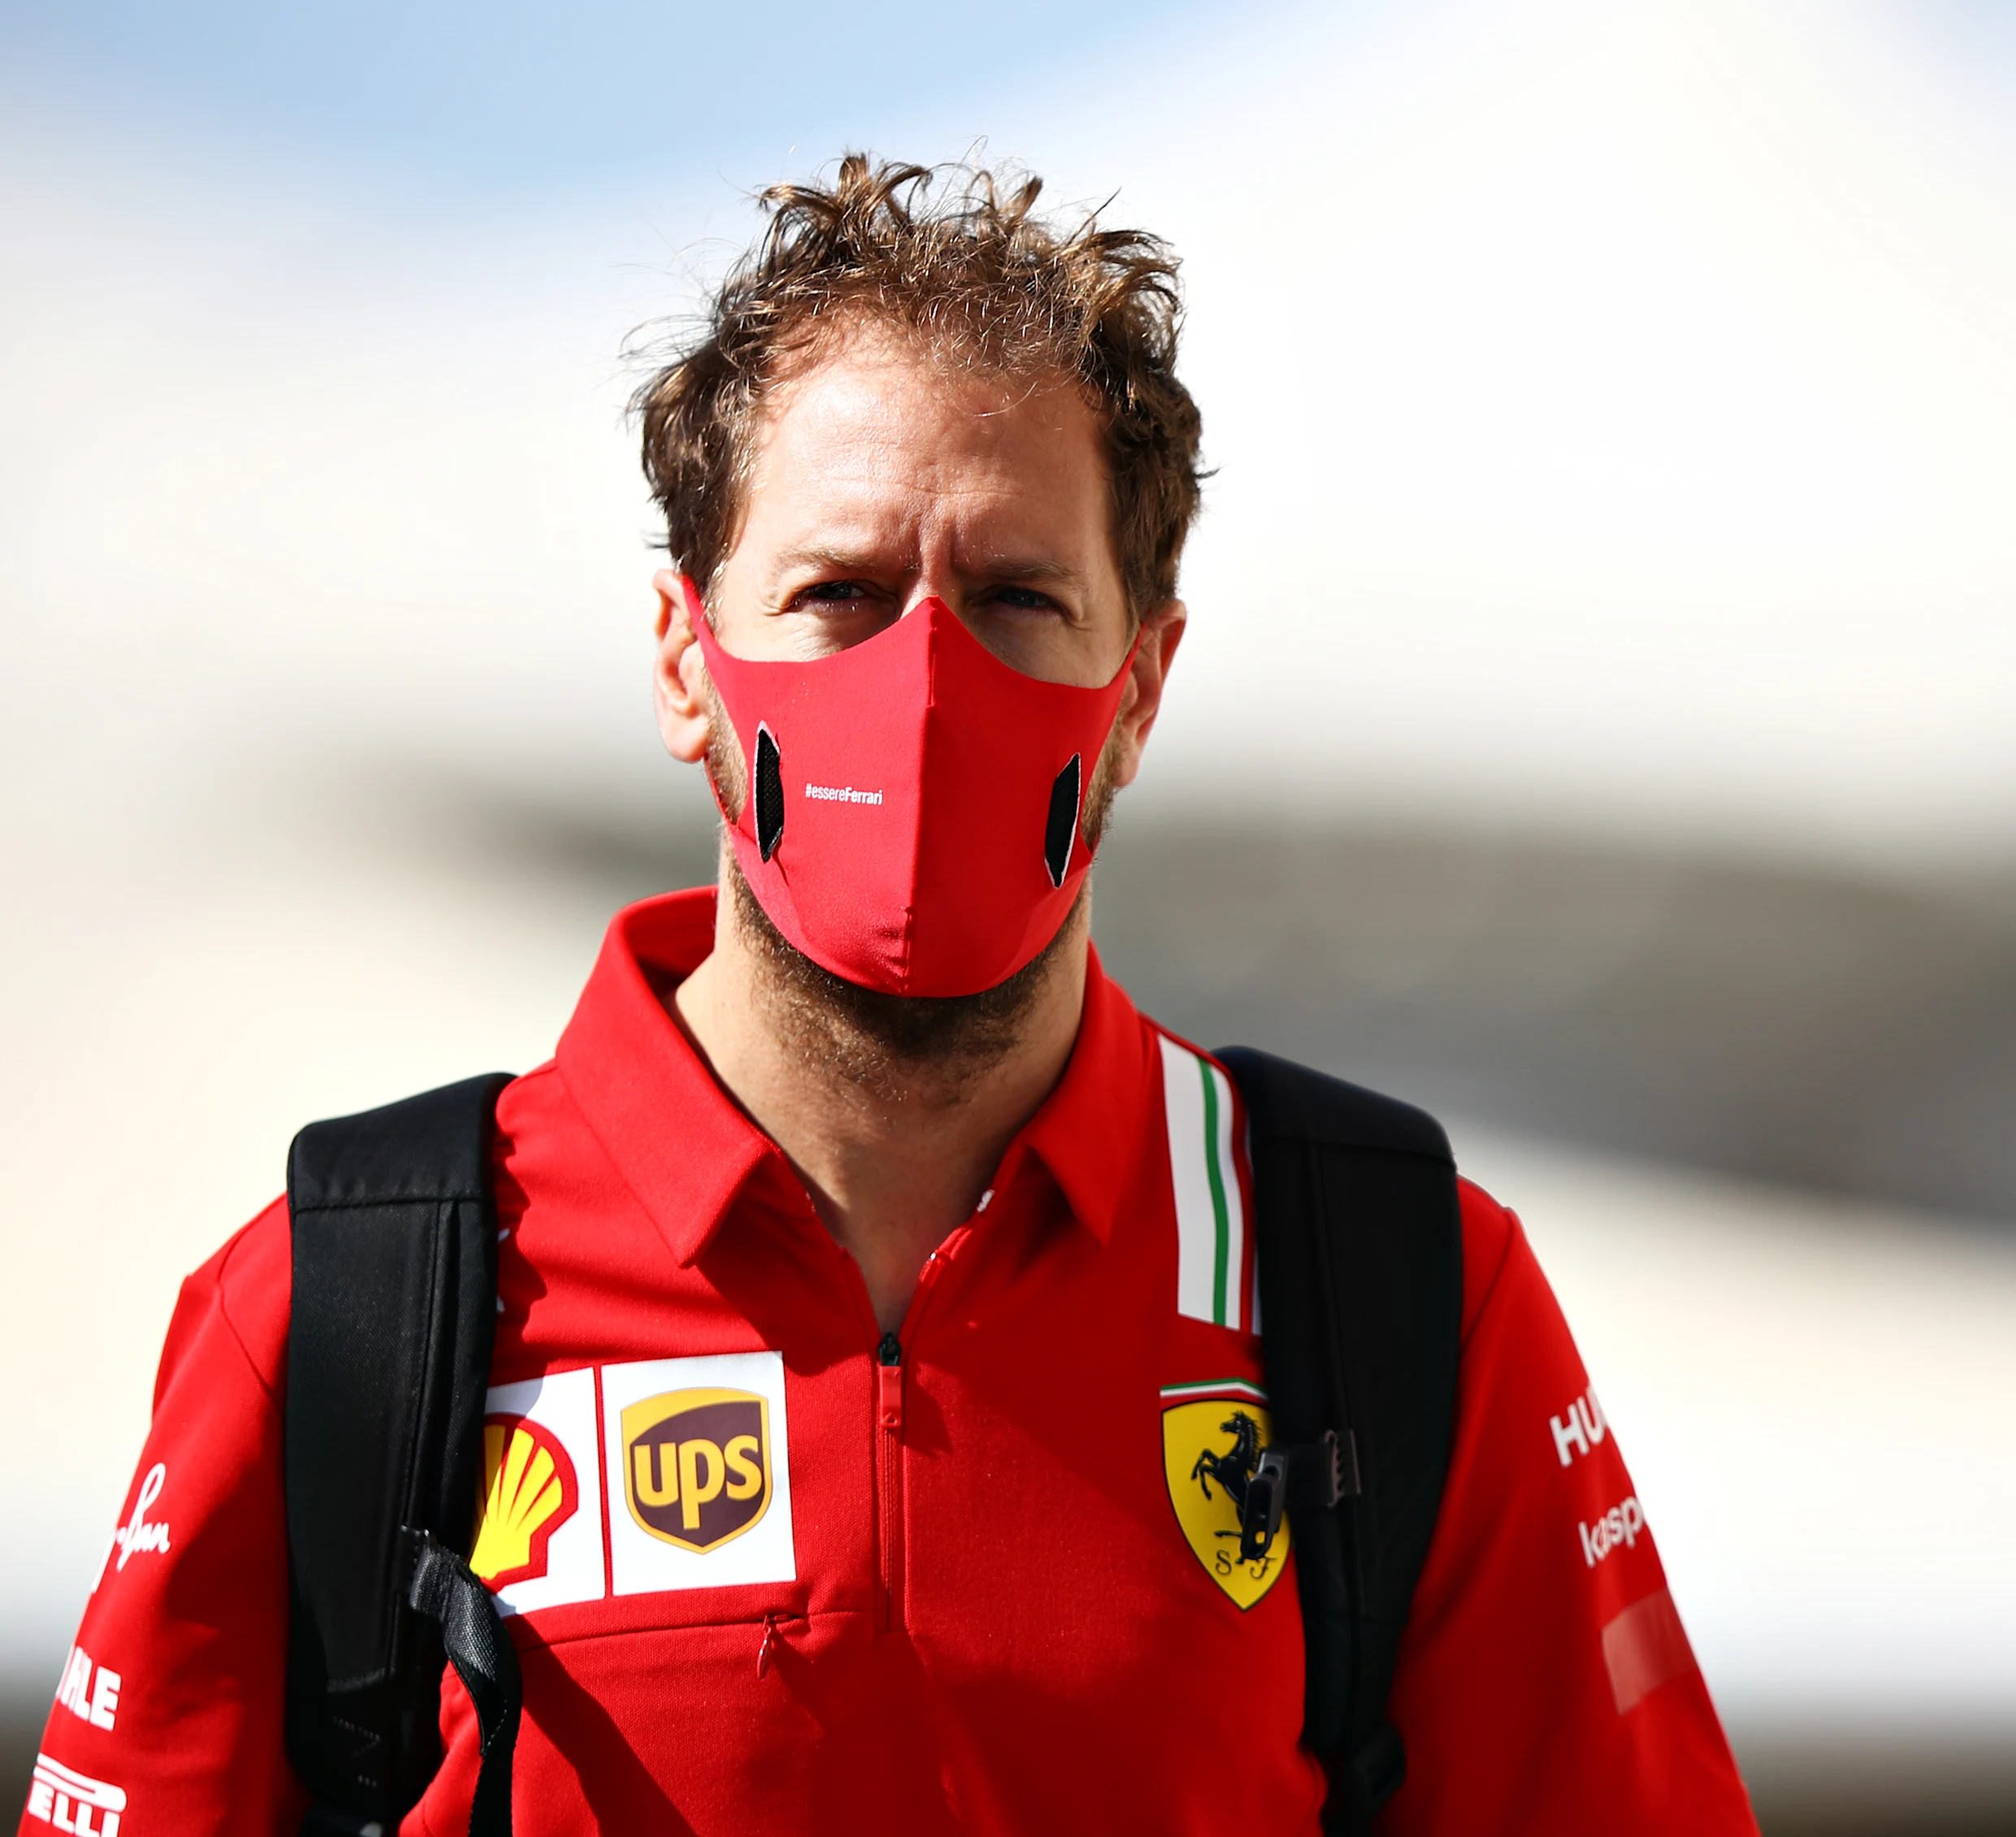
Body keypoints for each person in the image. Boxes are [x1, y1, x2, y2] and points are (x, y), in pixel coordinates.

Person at [23, 156, 1758, 1835]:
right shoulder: (355, 1302)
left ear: (1141, 681)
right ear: (685, 659)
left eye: (1017, 597)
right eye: (838, 593)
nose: (924, 684)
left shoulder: (1393, 1285)